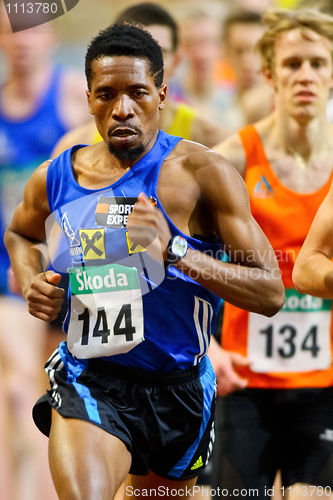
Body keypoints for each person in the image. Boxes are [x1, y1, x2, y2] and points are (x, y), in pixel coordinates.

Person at [4, 23, 284, 499]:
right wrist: (35, 282)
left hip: (179, 388)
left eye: (137, 92)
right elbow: (20, 233)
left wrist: (175, 250)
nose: (122, 109)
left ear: (161, 94)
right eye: (107, 95)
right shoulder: (56, 177)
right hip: (90, 379)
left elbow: (270, 291)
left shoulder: (204, 174)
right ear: (89, 99)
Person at [211, 8, 333, 498]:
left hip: (325, 382)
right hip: (245, 381)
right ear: (268, 73)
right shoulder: (233, 159)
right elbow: (171, 249)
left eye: (318, 63)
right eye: (292, 64)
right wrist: (210, 347)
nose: (305, 75)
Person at [0, 9, 90, 500]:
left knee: (42, 394)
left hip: (60, 273)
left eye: (33, 32)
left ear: (50, 38)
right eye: (12, 33)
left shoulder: (73, 100)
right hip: (9, 267)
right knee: (18, 391)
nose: (23, 43)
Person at [52, 2, 227, 158]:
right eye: (132, 52)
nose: (142, 67)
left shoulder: (211, 142)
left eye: (159, 53)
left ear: (176, 61)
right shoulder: (74, 150)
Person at [219, 9, 273, 132]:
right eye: (239, 51)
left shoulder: (286, 111)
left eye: (256, 51)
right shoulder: (217, 112)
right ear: (226, 53)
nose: (247, 62)